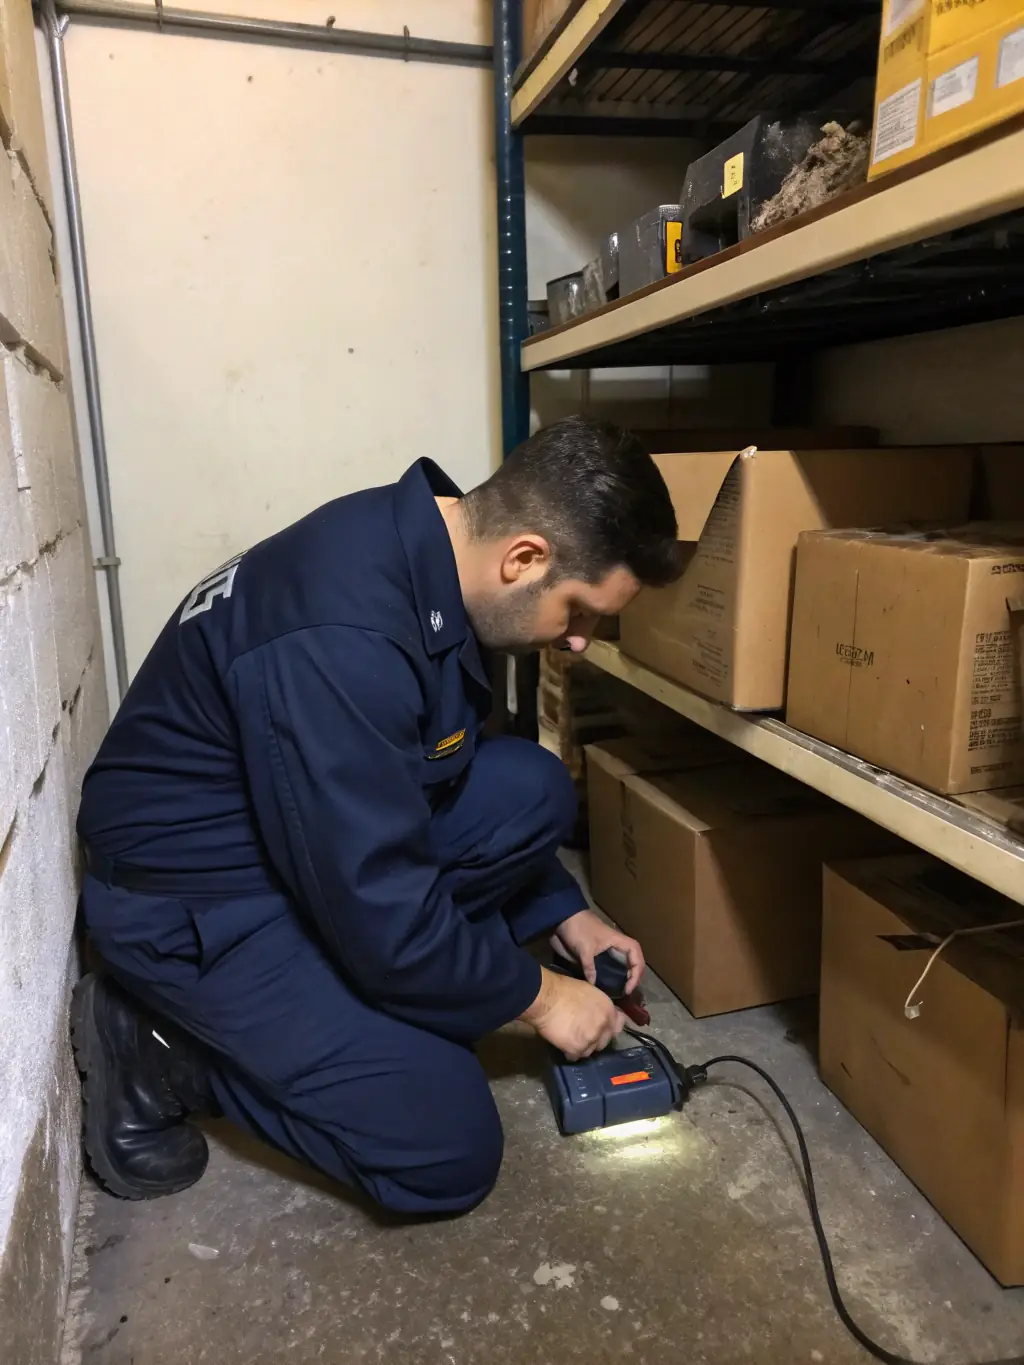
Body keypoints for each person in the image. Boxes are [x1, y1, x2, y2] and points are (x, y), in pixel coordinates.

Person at [73, 416, 681, 1214]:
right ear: (525, 557)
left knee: (530, 785)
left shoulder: (428, 550)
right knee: (444, 1148)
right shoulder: (343, 633)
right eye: (578, 611)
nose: (579, 642)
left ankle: (375, 1012)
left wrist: (566, 918)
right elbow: (380, 915)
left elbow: (438, 775)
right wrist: (542, 996)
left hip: (294, 843)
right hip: (195, 903)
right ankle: (161, 1044)